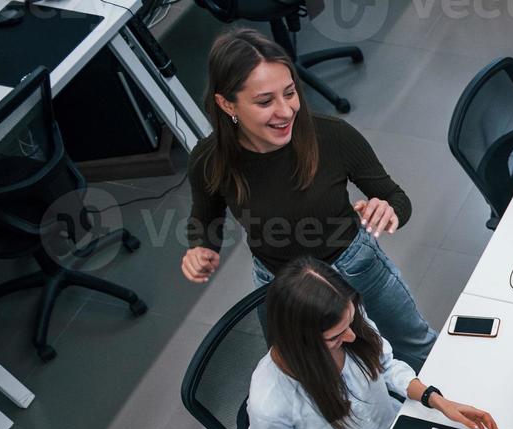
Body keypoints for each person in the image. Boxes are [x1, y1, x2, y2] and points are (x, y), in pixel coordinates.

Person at [182, 28, 435, 367]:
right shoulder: (209, 159)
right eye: (264, 101)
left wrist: (388, 210)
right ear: (227, 104)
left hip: (355, 266)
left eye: (290, 93)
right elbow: (205, 218)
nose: (286, 111)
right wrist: (202, 247)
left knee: (416, 350)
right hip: (282, 286)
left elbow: (396, 198)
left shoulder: (333, 135)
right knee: (306, 373)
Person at [246, 258, 497, 429]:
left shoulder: (345, 321)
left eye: (351, 322)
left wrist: (435, 399)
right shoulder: (270, 401)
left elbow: (385, 365)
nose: (352, 337)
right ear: (301, 342)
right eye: (335, 337)